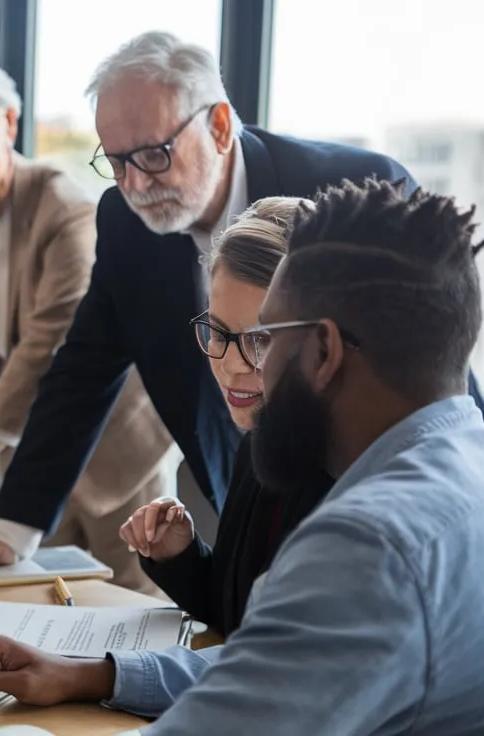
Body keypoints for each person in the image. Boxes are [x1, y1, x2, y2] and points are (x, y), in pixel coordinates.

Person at [0, 178, 484, 735]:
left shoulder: (370, 545)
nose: (244, 372)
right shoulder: (462, 464)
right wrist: (91, 674)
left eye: (267, 339)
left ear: (324, 350)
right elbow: (279, 677)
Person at [0, 31, 465, 571]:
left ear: (220, 125)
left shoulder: (355, 193)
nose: (134, 185)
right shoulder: (125, 223)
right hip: (244, 497)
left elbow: (434, 372)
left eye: (153, 155)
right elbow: (83, 373)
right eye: (116, 161)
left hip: (389, 522)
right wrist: (12, 529)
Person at [0, 56, 170, 594]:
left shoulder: (65, 209)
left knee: (137, 603)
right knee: (36, 600)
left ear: (9, 122)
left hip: (113, 440)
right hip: (28, 450)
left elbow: (48, 343)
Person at [118, 196, 333, 637]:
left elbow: (278, 654)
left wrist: (102, 675)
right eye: (218, 332)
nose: (230, 364)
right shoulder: (261, 439)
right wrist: (180, 556)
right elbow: (236, 613)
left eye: (260, 340)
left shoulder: (344, 475)